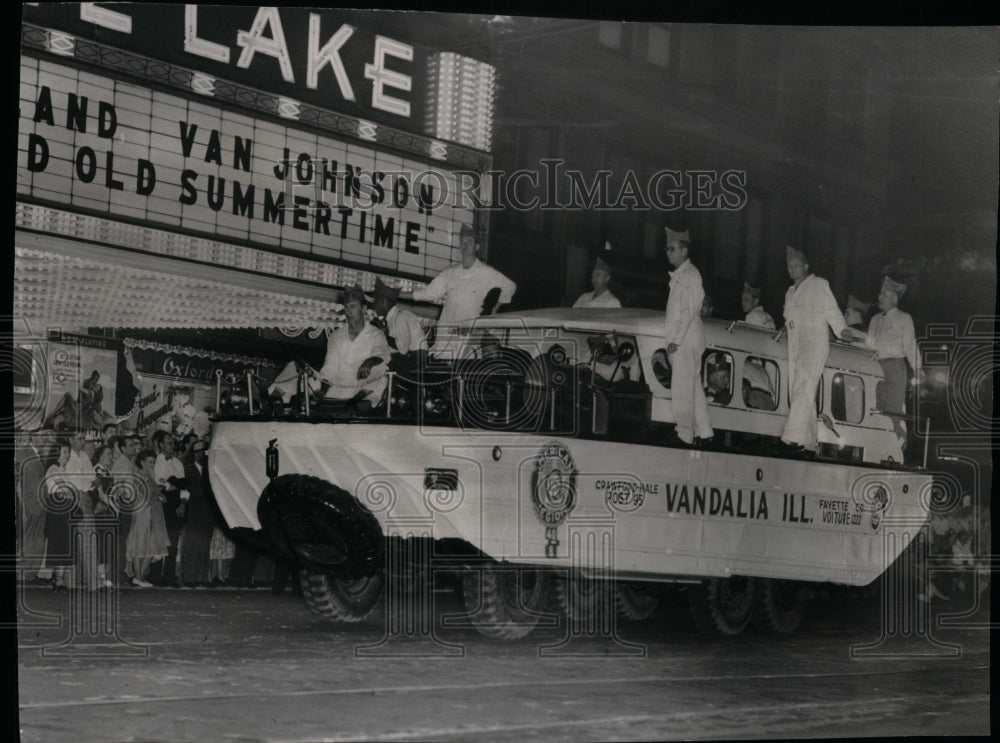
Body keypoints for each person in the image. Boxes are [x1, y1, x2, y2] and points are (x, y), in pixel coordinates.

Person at [778, 246, 854, 454]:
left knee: (803, 387)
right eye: (789, 266)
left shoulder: (818, 284)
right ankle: (809, 442)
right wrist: (784, 329)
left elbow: (832, 310)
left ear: (806, 266)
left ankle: (790, 439)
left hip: (814, 345)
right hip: (795, 346)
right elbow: (790, 319)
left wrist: (842, 330)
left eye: (796, 265)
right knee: (800, 393)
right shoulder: (790, 292)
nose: (792, 269)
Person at [401, 223, 517, 359]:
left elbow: (510, 286)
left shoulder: (486, 272)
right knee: (442, 372)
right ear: (459, 247)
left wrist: (495, 309)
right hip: (445, 332)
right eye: (463, 242)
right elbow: (427, 293)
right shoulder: (449, 273)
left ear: (477, 247)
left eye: (469, 242)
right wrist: (399, 293)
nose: (465, 245)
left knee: (463, 372)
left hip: (466, 333)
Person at [269, 285, 391, 411]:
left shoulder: (375, 334)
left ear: (364, 309)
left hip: (360, 389)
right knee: (293, 367)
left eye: (353, 307)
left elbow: (383, 354)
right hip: (335, 388)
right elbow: (329, 369)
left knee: (382, 371)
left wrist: (370, 361)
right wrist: (323, 390)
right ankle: (273, 403)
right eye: (347, 307)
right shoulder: (336, 336)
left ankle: (360, 405)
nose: (349, 312)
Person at [663, 227, 713, 445]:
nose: (668, 252)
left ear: (684, 251)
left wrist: (675, 340)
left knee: (682, 387)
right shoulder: (682, 275)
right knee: (692, 387)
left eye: (672, 249)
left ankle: (684, 434)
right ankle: (705, 432)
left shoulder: (689, 275)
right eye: (667, 249)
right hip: (688, 337)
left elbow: (688, 311)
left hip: (686, 338)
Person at [862, 276, 921, 443]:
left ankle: (895, 446)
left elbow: (910, 344)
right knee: (876, 407)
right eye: (880, 294)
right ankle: (877, 444)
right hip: (875, 367)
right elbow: (869, 345)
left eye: (884, 294)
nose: (880, 297)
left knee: (893, 409)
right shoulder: (875, 319)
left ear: (894, 298)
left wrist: (917, 367)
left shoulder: (904, 318)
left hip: (895, 367)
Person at [125, 449, 170, 588]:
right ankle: (138, 577)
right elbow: (135, 496)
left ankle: (140, 576)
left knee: (151, 546)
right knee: (140, 545)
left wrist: (161, 496)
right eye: (149, 462)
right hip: (141, 514)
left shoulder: (151, 477)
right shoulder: (136, 477)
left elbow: (156, 492)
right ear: (142, 462)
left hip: (153, 513)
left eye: (153, 462)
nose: (152, 464)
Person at [152, 430, 188, 586]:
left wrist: (183, 503)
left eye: (173, 442)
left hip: (175, 502)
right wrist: (169, 485)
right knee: (159, 540)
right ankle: (154, 575)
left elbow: (184, 486)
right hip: (161, 501)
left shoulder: (178, 463)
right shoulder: (155, 461)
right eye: (168, 442)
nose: (172, 445)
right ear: (160, 444)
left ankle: (169, 576)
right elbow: (157, 482)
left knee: (173, 542)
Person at [180, 439, 214, 587]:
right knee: (192, 543)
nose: (202, 454)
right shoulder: (187, 469)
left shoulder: (210, 470)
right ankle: (189, 577)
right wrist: (182, 504)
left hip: (208, 511)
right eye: (199, 451)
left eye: (204, 451)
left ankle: (202, 577)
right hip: (193, 509)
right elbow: (183, 489)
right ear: (194, 453)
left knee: (205, 544)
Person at [42, 441, 75, 591]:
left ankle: (59, 578)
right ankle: (57, 579)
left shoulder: (63, 470)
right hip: (58, 507)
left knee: (64, 543)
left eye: (68, 452)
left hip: (65, 507)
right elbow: (64, 488)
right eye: (65, 452)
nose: (68, 456)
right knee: (58, 542)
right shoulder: (53, 469)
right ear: (57, 454)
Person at [371, 277, 426, 356]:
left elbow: (402, 349)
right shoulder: (393, 316)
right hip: (411, 356)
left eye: (376, 302)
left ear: (383, 302)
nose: (374, 306)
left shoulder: (400, 317)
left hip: (416, 357)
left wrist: (385, 335)